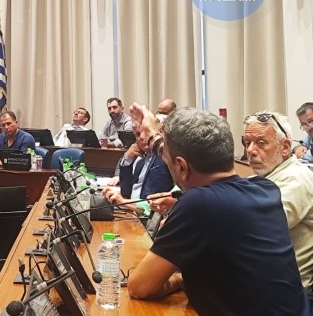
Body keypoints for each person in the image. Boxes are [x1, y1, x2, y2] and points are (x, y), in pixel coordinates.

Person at [126, 106, 309, 315]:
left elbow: (140, 287)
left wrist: (178, 280)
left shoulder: (197, 204)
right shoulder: (266, 189)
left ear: (182, 167)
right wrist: (153, 136)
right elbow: (175, 160)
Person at [243, 110, 313, 290]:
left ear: (285, 147)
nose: (250, 150)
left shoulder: (296, 180)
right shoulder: (264, 176)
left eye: (261, 143)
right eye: (247, 142)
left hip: (287, 294)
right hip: (263, 282)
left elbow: (253, 229)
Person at [101, 122, 173, 216]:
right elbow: (126, 192)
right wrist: (127, 159)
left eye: (145, 133)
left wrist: (123, 201)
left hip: (150, 216)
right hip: (132, 211)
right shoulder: (140, 162)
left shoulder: (164, 159)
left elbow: (154, 204)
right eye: (137, 134)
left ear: (159, 133)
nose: (141, 137)